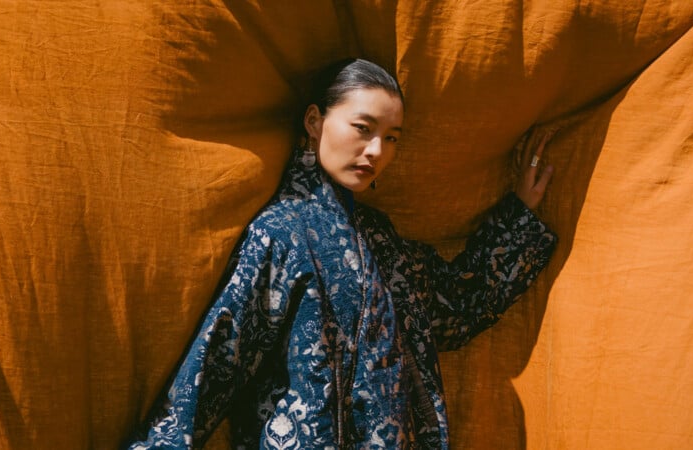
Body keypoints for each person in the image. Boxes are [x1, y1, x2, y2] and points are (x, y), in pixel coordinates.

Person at [127, 58, 557, 449]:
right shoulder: (281, 233)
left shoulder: (384, 242)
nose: (376, 151)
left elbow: (454, 308)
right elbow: (215, 367)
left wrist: (520, 212)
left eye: (391, 138)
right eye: (363, 128)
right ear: (315, 121)